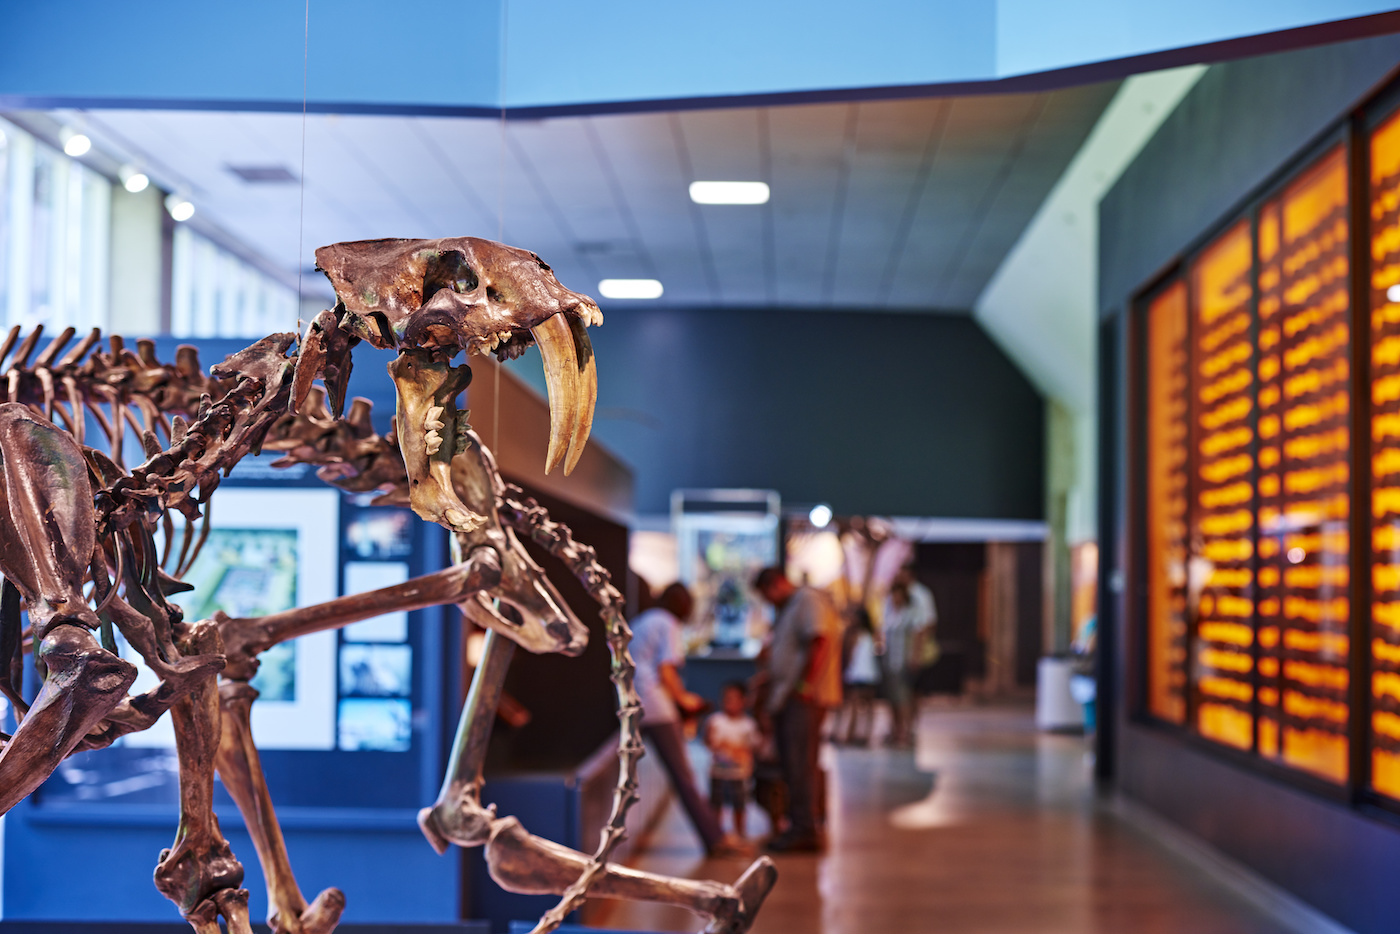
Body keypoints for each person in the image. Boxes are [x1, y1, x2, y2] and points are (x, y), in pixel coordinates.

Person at [630, 582, 729, 856]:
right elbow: (666, 671)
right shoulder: (669, 624)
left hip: (631, 702)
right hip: (655, 706)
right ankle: (715, 840)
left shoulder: (643, 620)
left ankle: (715, 837)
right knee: (684, 777)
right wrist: (686, 700)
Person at [752, 566, 832, 853]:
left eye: (767, 595)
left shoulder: (807, 600)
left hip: (802, 701)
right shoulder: (790, 607)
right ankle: (798, 825)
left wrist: (805, 687)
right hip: (788, 698)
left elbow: (819, 641)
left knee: (800, 765)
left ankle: (805, 829)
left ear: (777, 584)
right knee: (792, 765)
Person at [881, 567, 937, 748]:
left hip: (907, 656)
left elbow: (924, 626)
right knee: (894, 696)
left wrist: (917, 654)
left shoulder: (919, 597)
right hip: (891, 659)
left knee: (909, 694)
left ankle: (908, 729)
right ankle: (895, 729)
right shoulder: (890, 602)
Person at [705, 682, 762, 839]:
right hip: (718, 772)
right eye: (726, 698)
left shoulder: (748, 724)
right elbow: (709, 742)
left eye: (734, 699)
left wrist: (740, 751)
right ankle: (716, 833)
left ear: (744, 701)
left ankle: (740, 832)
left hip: (740, 774)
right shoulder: (716, 721)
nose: (730, 703)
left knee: (740, 804)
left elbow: (756, 745)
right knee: (717, 803)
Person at [835, 607, 880, 745]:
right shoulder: (852, 634)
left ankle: (865, 733)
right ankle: (850, 733)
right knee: (854, 705)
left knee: (867, 705)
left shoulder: (869, 635)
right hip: (856, 674)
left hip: (868, 673)